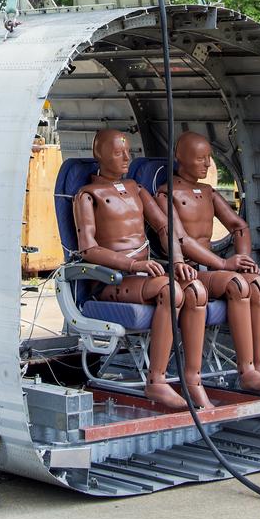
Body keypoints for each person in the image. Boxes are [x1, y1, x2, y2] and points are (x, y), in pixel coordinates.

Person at [73, 128, 213, 412]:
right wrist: (133, 264)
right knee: (171, 291)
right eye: (118, 153)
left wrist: (177, 261)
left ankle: (193, 377)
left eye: (128, 152)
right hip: (111, 280)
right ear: (99, 155)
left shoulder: (136, 189)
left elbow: (165, 226)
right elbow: (88, 249)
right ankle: (156, 380)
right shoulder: (87, 196)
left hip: (143, 276)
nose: (126, 158)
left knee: (196, 290)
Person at [156, 131, 260, 392]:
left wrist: (244, 258)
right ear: (181, 158)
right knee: (237, 285)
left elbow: (239, 226)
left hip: (210, 270)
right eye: (200, 158)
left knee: (258, 285)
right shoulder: (166, 194)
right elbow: (182, 240)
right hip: (187, 272)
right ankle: (246, 371)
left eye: (209, 157)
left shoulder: (208, 192)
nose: (208, 164)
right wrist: (223, 264)